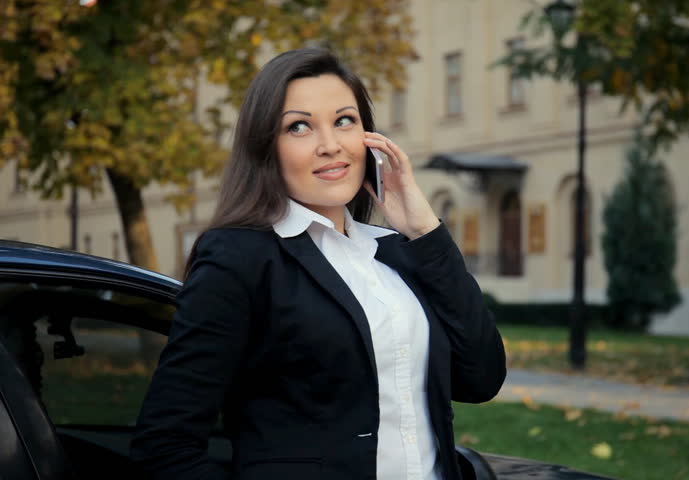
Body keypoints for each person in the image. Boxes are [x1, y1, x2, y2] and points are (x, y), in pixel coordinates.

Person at [129, 48, 506, 480]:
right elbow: (165, 447)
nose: (330, 146)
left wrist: (425, 230)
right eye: (299, 126)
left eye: (344, 120)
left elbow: (482, 378)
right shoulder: (239, 258)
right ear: (266, 147)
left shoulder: (397, 251)